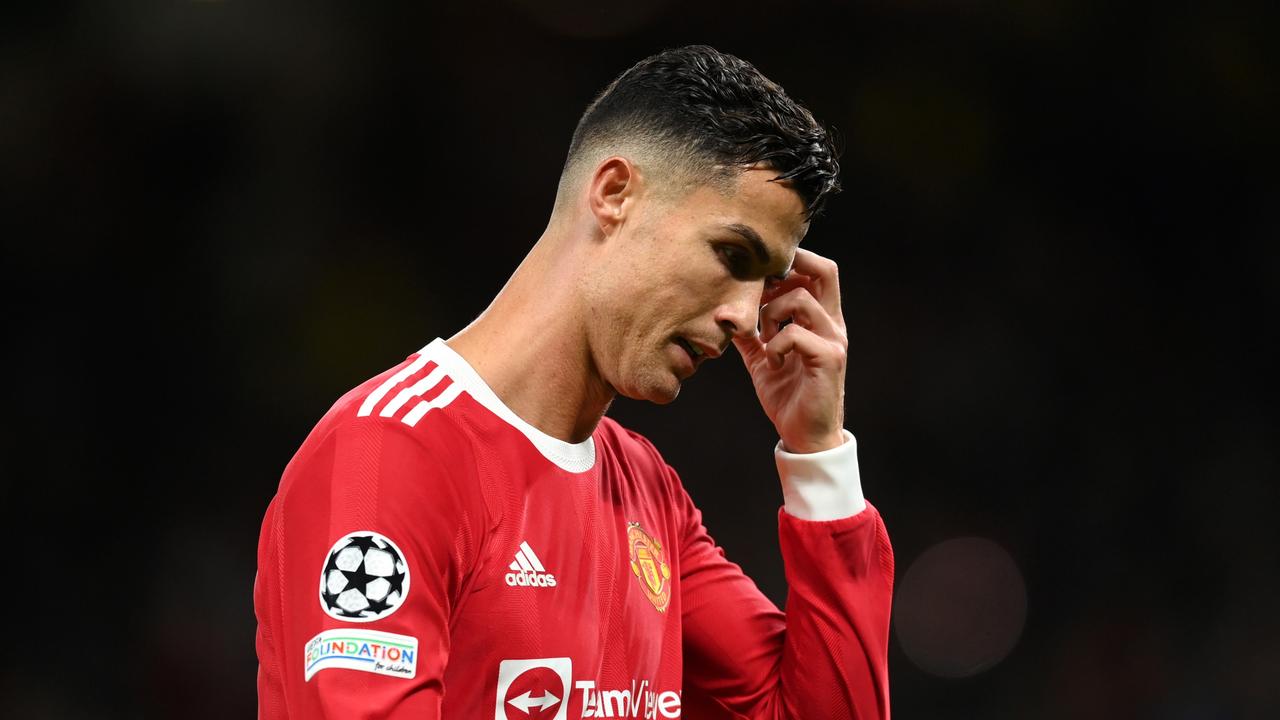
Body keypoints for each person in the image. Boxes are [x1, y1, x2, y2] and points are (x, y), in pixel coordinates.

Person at [254, 44, 893, 719]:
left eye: (763, 282)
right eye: (731, 256)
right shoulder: (391, 457)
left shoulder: (649, 494)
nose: (744, 316)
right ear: (615, 193)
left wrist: (818, 450)